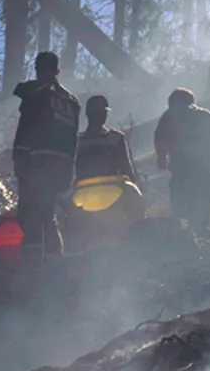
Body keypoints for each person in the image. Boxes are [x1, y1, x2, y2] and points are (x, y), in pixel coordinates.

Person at [11, 51, 81, 264]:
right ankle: (54, 262)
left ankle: (32, 264)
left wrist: (19, 156)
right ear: (57, 70)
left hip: (36, 163)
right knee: (48, 214)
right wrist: (69, 169)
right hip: (61, 166)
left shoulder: (37, 93)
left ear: (37, 68)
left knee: (30, 214)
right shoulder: (72, 102)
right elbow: (72, 137)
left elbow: (27, 127)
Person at [154, 88, 210, 234]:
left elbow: (160, 139)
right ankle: (196, 231)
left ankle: (191, 232)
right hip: (198, 170)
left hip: (188, 170)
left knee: (184, 203)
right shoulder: (205, 116)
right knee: (199, 201)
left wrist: (162, 158)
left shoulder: (170, 117)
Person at [75, 95, 137, 183]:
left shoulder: (116, 139)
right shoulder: (78, 142)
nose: (104, 115)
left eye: (103, 112)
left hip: (111, 188)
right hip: (88, 190)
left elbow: (127, 171)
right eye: (100, 112)